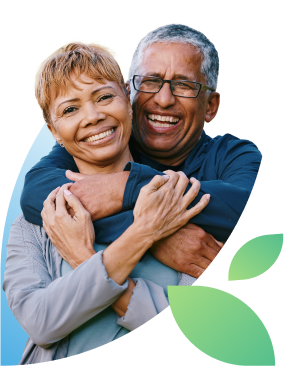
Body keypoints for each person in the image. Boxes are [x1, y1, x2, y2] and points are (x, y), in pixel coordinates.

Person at [3, 39, 211, 365]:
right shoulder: (33, 224)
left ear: (128, 100)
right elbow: (41, 322)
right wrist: (142, 234)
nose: (93, 116)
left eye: (104, 97)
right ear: (52, 128)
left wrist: (85, 259)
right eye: (70, 109)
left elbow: (197, 326)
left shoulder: (178, 206)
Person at [20, 24, 262, 280]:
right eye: (151, 81)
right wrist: (153, 235)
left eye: (183, 85)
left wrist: (125, 186)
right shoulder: (104, 144)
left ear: (210, 106)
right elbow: (37, 193)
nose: (164, 99)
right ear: (129, 92)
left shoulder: (234, 155)